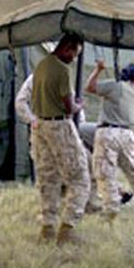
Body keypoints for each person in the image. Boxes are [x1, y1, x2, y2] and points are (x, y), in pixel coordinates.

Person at [16, 74, 131, 211]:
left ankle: (105, 194)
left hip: (69, 132)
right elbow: (20, 102)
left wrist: (79, 116)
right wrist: (31, 119)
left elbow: (75, 109)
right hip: (49, 135)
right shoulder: (36, 78)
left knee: (94, 154)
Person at [30, 32, 91, 243]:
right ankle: (68, 229)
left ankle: (47, 228)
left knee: (48, 178)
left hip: (39, 126)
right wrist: (79, 105)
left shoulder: (42, 64)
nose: (74, 58)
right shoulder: (62, 70)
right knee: (80, 177)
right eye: (75, 53)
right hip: (58, 126)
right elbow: (68, 106)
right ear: (67, 48)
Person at [85, 61, 134, 220]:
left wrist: (98, 70)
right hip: (128, 135)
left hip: (108, 133)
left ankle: (111, 209)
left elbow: (90, 87)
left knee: (105, 173)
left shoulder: (116, 86)